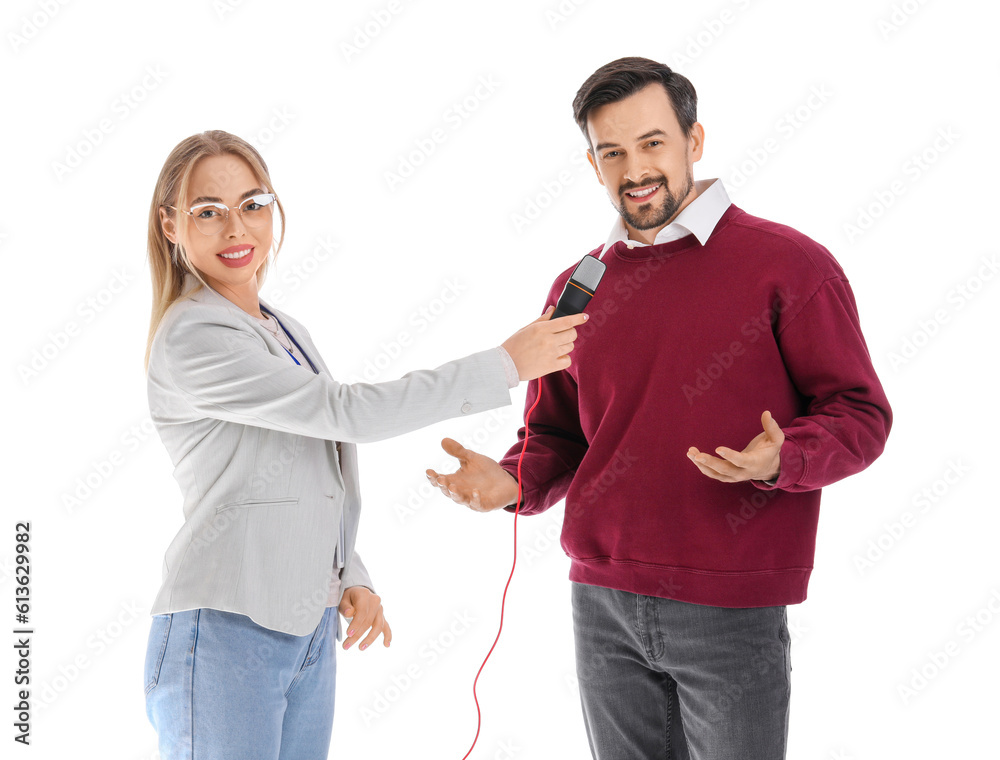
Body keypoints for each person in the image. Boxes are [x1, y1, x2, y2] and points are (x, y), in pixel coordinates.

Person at [426, 57, 892, 759]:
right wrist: (511, 481)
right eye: (612, 152)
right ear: (593, 164)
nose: (634, 169)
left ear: (693, 142)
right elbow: (555, 432)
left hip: (729, 605)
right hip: (602, 604)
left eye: (652, 143)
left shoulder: (790, 267)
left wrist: (785, 455)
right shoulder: (577, 286)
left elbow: (860, 413)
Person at [140, 130, 587, 760]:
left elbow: (308, 468)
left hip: (307, 623)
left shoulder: (282, 328)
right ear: (170, 226)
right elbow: (345, 413)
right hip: (223, 627)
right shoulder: (194, 336)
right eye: (207, 212)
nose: (236, 229)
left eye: (252, 204)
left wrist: (347, 574)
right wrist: (504, 366)